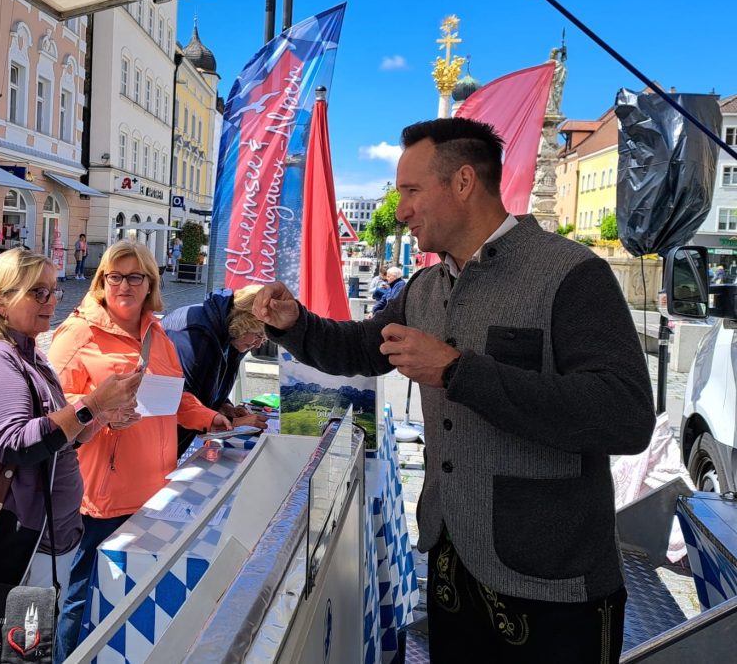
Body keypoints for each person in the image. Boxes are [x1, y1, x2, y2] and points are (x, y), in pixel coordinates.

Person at [253, 118, 654, 663]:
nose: (400, 210)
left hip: (553, 587)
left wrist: (458, 370)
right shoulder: (425, 286)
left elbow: (624, 416)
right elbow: (358, 348)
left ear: (463, 182)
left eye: (412, 191)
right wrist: (293, 322)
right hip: (451, 568)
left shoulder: (570, 274)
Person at [48, 240, 232, 659]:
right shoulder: (78, 332)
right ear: (101, 281)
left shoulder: (156, 333)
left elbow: (175, 395)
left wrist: (209, 418)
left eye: (136, 277)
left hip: (153, 491)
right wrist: (101, 413)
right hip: (100, 497)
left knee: (130, 595)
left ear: (151, 283)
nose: (125, 285)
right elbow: (52, 407)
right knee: (82, 597)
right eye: (115, 276)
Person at [0, 249, 141, 611]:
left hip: (47, 534)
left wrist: (100, 414)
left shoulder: (31, 354)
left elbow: (58, 439)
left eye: (54, 291)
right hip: (21, 536)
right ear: (0, 302)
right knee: (16, 643)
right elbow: (15, 445)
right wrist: (90, 404)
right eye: (38, 292)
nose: (52, 301)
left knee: (35, 639)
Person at [161, 286, 270, 457]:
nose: (258, 344)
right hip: (160, 434)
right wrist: (233, 423)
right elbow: (181, 403)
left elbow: (211, 380)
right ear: (244, 323)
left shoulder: (232, 334)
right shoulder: (196, 334)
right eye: (258, 335)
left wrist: (223, 405)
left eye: (263, 339)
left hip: (171, 435)